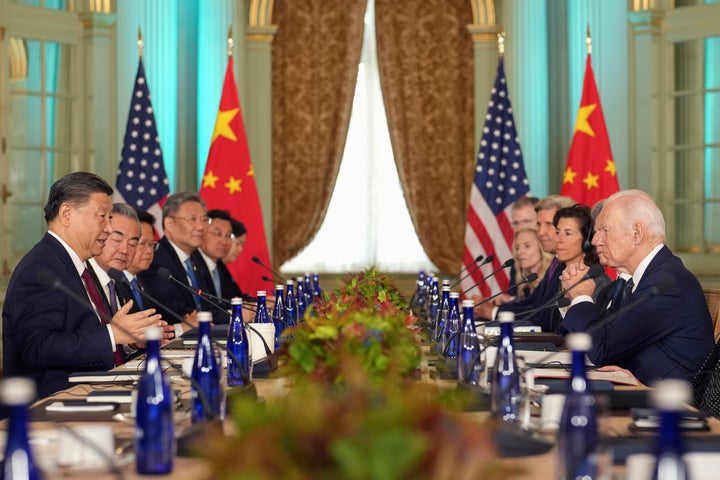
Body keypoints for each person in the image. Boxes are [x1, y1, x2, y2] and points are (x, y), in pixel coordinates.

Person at [2, 172, 163, 398]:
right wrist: (112, 334)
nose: (108, 228)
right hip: (51, 406)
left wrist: (128, 340)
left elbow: (88, 334)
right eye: (102, 216)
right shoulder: (41, 269)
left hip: (90, 391)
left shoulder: (77, 265)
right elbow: (37, 348)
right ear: (67, 214)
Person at [559, 190, 714, 384]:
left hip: (673, 406)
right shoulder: (641, 279)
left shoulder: (666, 283)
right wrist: (574, 301)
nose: (595, 240)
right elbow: (601, 336)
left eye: (604, 231)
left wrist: (581, 296)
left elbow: (601, 348)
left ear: (636, 233)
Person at [474, 194, 575, 331]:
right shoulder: (556, 263)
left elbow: (543, 317)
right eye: (539, 225)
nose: (540, 232)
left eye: (549, 225)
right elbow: (534, 304)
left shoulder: (572, 266)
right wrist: (494, 308)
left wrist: (494, 312)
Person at [138, 192, 215, 337]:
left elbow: (209, 304)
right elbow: (174, 312)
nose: (200, 226)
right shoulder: (156, 257)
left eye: (204, 219)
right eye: (192, 219)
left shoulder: (195, 257)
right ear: (169, 223)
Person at [510, 228, 553, 300]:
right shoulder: (523, 282)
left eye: (527, 246)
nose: (520, 252)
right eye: (517, 248)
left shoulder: (552, 277)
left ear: (541, 247)